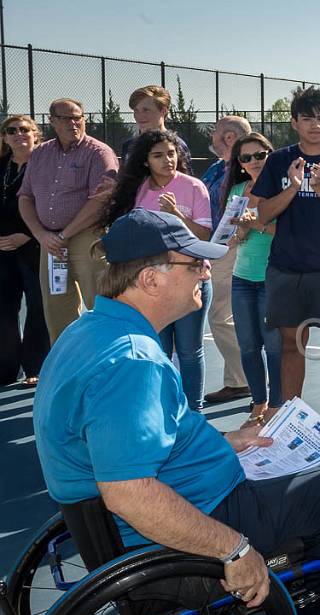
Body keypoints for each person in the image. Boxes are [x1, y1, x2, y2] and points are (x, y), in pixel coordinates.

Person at [31, 208, 320, 615]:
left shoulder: (89, 330)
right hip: (177, 533)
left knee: (288, 468)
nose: (206, 269)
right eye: (193, 263)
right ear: (151, 279)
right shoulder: (133, 360)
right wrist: (234, 551)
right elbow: (129, 491)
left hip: (132, 521)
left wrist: (227, 440)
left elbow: (133, 436)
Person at [250, 87, 320, 403]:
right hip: (286, 268)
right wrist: (294, 188)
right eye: (307, 118)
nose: (315, 124)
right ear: (295, 123)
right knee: (290, 344)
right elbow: (261, 215)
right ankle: (290, 414)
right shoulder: (279, 161)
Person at [104, 130, 213, 410]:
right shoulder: (136, 191)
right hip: (150, 286)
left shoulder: (194, 187)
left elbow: (204, 238)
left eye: (171, 153)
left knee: (189, 351)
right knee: (157, 350)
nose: (167, 160)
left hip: (190, 279)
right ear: (145, 161)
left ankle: (194, 413)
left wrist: (177, 216)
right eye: (158, 155)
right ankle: (161, 410)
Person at [18, 98, 119, 342]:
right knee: (57, 311)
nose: (74, 123)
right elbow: (25, 197)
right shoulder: (40, 153)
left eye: (78, 117)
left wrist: (65, 235)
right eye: (66, 118)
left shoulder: (99, 152)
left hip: (87, 238)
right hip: (50, 244)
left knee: (100, 306)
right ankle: (68, 368)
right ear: (52, 121)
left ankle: (108, 365)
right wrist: (41, 236)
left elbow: (100, 200)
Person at [222, 133, 282, 427]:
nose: (253, 162)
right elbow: (233, 236)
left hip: (272, 278)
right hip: (242, 278)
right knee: (248, 346)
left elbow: (286, 232)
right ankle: (258, 403)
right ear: (240, 164)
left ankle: (277, 405)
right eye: (246, 158)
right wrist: (239, 233)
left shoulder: (284, 188)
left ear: (270, 155)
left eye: (259, 155)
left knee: (274, 347)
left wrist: (254, 223)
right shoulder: (237, 190)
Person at [202, 115, 254, 405]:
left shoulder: (241, 172)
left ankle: (242, 379)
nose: (211, 137)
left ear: (230, 138)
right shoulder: (216, 168)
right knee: (225, 315)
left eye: (215, 132)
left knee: (220, 315)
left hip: (228, 247)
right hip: (212, 247)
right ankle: (241, 378)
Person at [0, 115, 49, 385]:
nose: (18, 134)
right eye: (12, 130)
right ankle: (6, 368)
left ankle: (35, 367)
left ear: (35, 135)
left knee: (38, 307)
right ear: (5, 137)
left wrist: (26, 235)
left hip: (34, 247)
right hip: (2, 251)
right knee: (4, 308)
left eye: (24, 130)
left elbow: (53, 206)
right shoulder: (2, 165)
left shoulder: (44, 165)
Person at [120, 85, 193, 173]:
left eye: (146, 110)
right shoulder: (129, 146)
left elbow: (185, 182)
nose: (140, 116)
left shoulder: (176, 145)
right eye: (136, 110)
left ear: (163, 111)